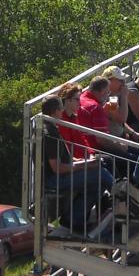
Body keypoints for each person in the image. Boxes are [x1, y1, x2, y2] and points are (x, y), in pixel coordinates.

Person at [42, 95, 115, 232]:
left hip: (59, 175)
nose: (63, 111)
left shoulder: (52, 127)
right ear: (54, 111)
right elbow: (57, 168)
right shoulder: (48, 133)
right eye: (61, 108)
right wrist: (86, 165)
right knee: (98, 174)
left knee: (103, 166)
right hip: (53, 180)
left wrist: (85, 161)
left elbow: (65, 159)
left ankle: (74, 219)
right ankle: (122, 197)